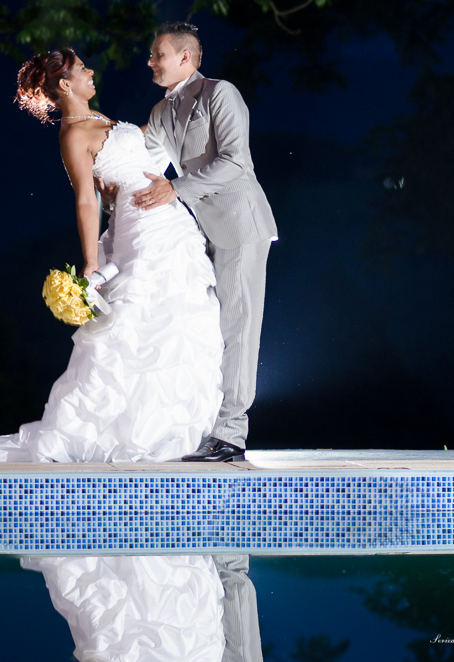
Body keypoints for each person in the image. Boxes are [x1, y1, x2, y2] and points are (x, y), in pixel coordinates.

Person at [0, 49, 229, 662]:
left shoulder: (108, 118)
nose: (91, 73)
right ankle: (117, 435)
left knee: (177, 327)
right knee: (134, 334)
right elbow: (87, 200)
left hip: (168, 229)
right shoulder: (76, 134)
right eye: (81, 68)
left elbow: (122, 184)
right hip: (139, 238)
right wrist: (92, 262)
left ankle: (163, 430)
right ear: (63, 82)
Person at [107, 22, 274, 662]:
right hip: (200, 233)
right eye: (150, 52)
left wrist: (176, 187)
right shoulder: (159, 109)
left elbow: (235, 162)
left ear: (187, 58)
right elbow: (142, 153)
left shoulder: (219, 94)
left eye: (158, 53)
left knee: (239, 326)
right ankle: (211, 426)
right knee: (209, 331)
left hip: (238, 223)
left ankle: (232, 434)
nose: (148, 59)